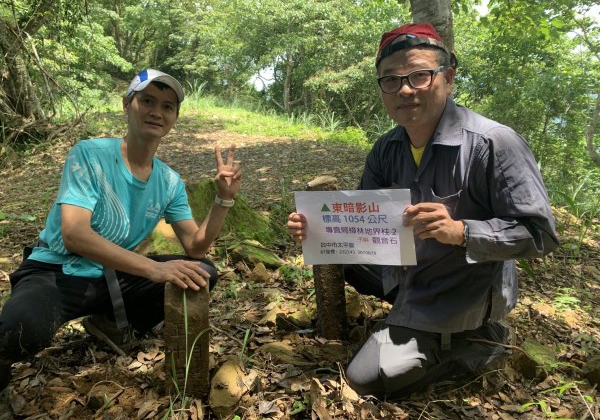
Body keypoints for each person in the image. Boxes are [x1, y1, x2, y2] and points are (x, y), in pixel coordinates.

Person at [288, 23, 559, 398]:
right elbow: (363, 224)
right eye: (391, 80)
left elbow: (540, 233)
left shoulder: (494, 142)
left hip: (461, 288)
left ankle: (478, 342)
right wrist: (317, 229)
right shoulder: (387, 148)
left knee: (365, 380)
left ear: (447, 79)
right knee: (338, 258)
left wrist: (461, 231)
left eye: (419, 76)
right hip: (407, 274)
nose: (404, 89)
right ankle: (414, 324)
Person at [0, 69, 242, 392]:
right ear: (127, 105)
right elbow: (74, 234)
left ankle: (109, 324)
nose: (157, 111)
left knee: (200, 272)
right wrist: (155, 269)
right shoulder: (90, 155)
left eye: (168, 106)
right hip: (56, 271)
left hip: (113, 277)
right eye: (147, 101)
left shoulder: (168, 181)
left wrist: (222, 200)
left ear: (174, 118)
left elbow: (196, 246)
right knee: (18, 332)